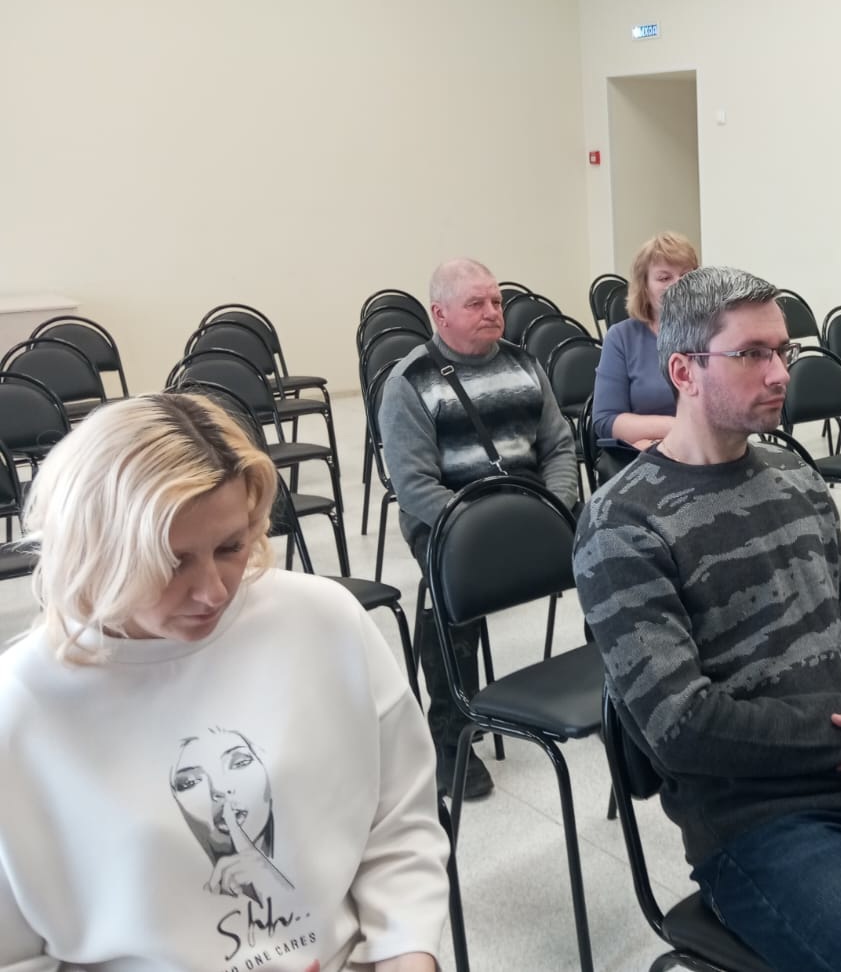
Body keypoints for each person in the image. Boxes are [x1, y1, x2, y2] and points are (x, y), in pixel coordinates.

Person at [574, 266, 841, 972]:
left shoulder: (793, 476)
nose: (781, 373)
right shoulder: (623, 524)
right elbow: (684, 728)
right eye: (752, 354)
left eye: (783, 351)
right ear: (684, 371)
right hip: (770, 825)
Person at [0, 394, 447, 972]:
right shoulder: (21, 705)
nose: (212, 591)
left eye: (231, 547)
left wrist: (406, 954)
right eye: (171, 561)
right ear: (94, 551)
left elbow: (400, 827)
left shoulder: (323, 621)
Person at [377, 257, 579, 799]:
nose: (493, 312)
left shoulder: (524, 362)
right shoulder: (410, 383)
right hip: (450, 519)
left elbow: (559, 447)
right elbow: (415, 486)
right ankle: (451, 739)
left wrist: (557, 507)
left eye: (496, 302)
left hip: (534, 509)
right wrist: (483, 538)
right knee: (450, 599)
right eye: (476, 304)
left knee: (612, 550)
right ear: (440, 314)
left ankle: (623, 692)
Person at [592, 230, 700, 453]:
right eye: (664, 278)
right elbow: (606, 420)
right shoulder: (621, 337)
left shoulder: (715, 332)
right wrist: (676, 429)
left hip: (707, 453)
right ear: (645, 286)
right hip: (645, 456)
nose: (678, 284)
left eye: (686, 275)